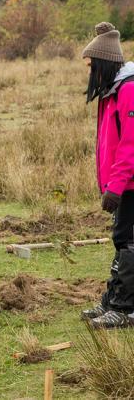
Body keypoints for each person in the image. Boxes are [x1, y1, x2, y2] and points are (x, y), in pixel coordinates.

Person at [79, 22, 134, 329]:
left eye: (91, 66)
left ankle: (125, 309)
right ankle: (112, 300)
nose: (89, 73)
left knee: (128, 243)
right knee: (122, 239)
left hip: (130, 183)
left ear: (103, 63)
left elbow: (131, 145)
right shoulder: (112, 92)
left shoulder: (129, 90)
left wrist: (115, 187)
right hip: (124, 183)